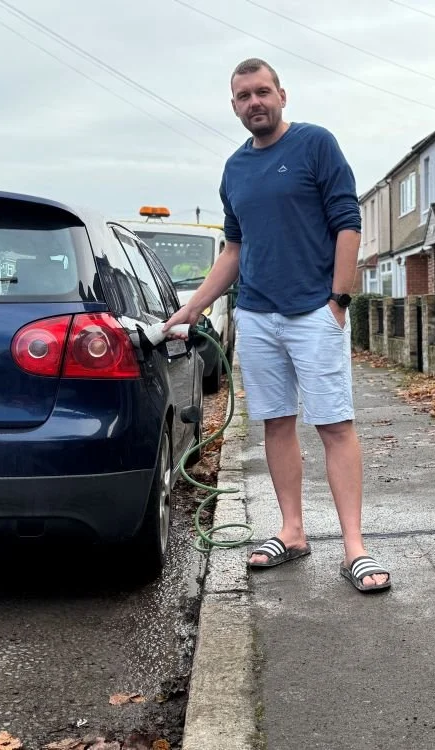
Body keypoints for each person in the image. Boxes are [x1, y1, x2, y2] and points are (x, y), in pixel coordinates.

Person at [163, 57, 390, 593]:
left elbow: (347, 223)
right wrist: (193, 307)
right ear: (234, 106)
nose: (254, 103)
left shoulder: (315, 144)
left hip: (314, 311)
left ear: (281, 95)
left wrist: (338, 300)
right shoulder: (235, 169)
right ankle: (292, 532)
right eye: (244, 96)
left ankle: (354, 547)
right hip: (257, 315)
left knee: (334, 424)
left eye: (262, 92)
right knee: (277, 423)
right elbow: (234, 249)